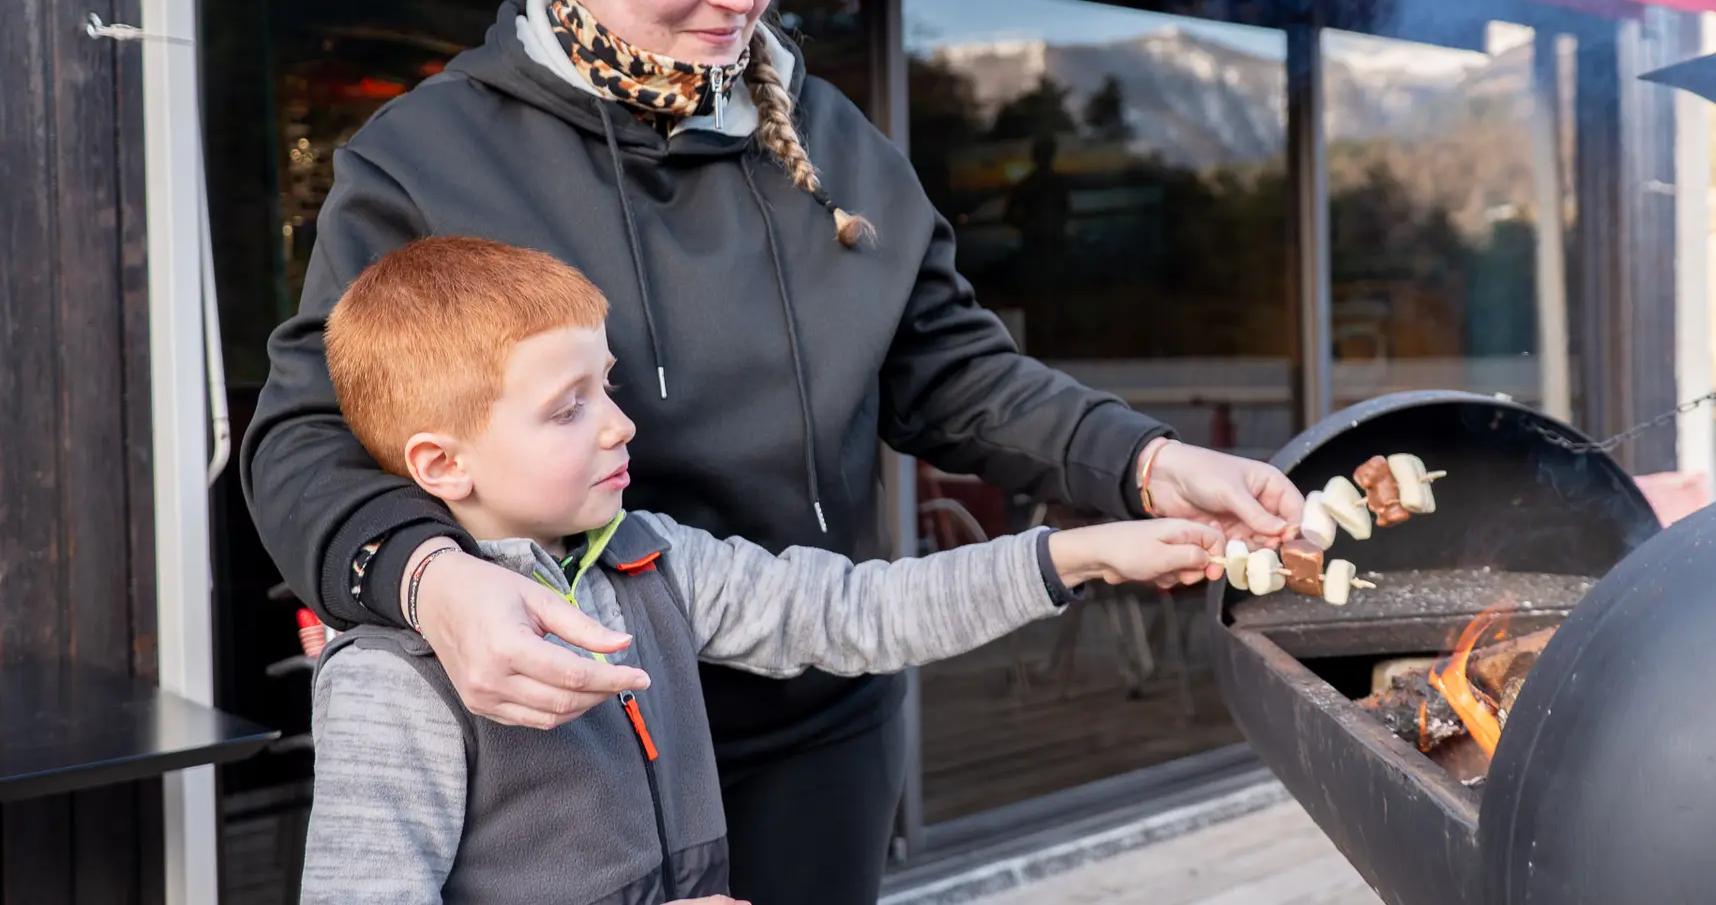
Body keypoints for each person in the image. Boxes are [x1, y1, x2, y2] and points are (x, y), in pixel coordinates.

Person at [239, 0, 1306, 899]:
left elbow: (953, 372)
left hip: (815, 714)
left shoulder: (831, 145)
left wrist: (1151, 463)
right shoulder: (427, 159)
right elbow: (306, 438)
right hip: (554, 740)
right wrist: (434, 586)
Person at [300, 235, 1228, 904]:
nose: (621, 425)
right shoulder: (390, 681)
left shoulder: (652, 557)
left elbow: (856, 612)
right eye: (567, 408)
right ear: (441, 465)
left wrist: (1088, 551)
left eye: (609, 385)